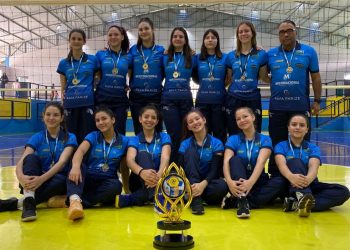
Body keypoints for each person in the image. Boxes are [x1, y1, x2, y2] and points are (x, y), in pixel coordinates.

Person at [0, 102, 77, 221]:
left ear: (62, 118)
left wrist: (41, 180)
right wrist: (20, 177)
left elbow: (62, 162)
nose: (51, 118)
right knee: (31, 158)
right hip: (36, 179)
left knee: (63, 180)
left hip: (56, 179)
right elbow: (23, 159)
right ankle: (30, 203)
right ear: (43, 116)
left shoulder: (70, 137)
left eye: (56, 115)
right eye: (48, 114)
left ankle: (22, 202)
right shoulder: (38, 137)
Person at [267, 20, 322, 176]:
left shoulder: (309, 51)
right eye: (282, 31)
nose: (285, 34)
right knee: (276, 143)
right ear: (278, 35)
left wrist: (317, 101)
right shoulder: (271, 54)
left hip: (300, 107)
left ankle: (304, 179)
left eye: (289, 30)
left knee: (302, 143)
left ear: (295, 31)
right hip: (277, 108)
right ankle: (276, 177)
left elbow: (316, 78)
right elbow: (263, 74)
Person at [274, 114, 350, 217]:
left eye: (302, 125)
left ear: (306, 129)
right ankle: (303, 199)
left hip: (309, 182)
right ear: (288, 128)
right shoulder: (281, 145)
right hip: (289, 183)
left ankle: (297, 203)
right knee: (296, 161)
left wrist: (307, 180)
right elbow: (281, 164)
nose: (297, 127)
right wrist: (292, 177)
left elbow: (314, 166)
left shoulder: (313, 147)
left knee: (343, 191)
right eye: (294, 124)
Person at [66, 106, 129, 220]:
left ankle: (74, 201)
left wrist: (127, 190)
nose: (101, 122)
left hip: (107, 182)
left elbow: (124, 167)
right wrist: (75, 167)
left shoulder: (125, 141)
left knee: (116, 186)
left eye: (104, 119)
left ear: (113, 120)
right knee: (77, 164)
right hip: (88, 178)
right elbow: (80, 151)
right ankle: (75, 200)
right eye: (97, 120)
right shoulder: (93, 136)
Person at [222, 107, 286, 218]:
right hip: (239, 180)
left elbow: (261, 162)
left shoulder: (265, 139)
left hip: (257, 180)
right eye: (238, 119)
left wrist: (250, 183)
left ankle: (239, 201)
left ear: (253, 117)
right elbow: (226, 162)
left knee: (280, 181)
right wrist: (229, 182)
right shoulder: (233, 139)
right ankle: (242, 198)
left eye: (245, 116)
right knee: (235, 160)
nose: (242, 120)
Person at [115, 105, 171, 209]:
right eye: (146, 117)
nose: (149, 120)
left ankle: (132, 198)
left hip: (160, 178)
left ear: (157, 121)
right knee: (143, 154)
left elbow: (165, 158)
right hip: (139, 180)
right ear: (140, 119)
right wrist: (142, 172)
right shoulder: (134, 139)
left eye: (153, 117)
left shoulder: (164, 137)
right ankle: (159, 198)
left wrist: (158, 176)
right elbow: (130, 160)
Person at [178, 109, 228, 215]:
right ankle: (196, 199)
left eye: (197, 119)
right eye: (191, 122)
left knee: (222, 186)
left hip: (208, 182)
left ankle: (192, 196)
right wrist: (187, 186)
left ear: (204, 120)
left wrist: (202, 185)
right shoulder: (185, 144)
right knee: (191, 151)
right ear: (188, 127)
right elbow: (180, 169)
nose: (195, 122)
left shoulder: (216, 143)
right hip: (189, 182)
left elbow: (214, 170)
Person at [225, 21, 269, 136]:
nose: (243, 34)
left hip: (252, 98)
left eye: (246, 31)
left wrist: (281, 82)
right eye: (240, 32)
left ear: (252, 33)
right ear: (237, 35)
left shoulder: (261, 54)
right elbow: (229, 79)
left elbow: (264, 77)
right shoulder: (230, 56)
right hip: (234, 98)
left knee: (254, 132)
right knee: (234, 132)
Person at [57, 29, 100, 144]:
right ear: (69, 41)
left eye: (79, 39)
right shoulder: (63, 63)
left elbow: (98, 78)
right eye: (73, 39)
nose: (76, 41)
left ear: (84, 41)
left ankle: (85, 161)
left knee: (87, 136)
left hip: (88, 103)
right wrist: (63, 101)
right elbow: (63, 87)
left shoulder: (93, 60)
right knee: (70, 136)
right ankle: (71, 161)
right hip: (70, 104)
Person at [162, 27, 197, 161]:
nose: (177, 38)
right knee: (173, 135)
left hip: (186, 100)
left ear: (185, 40)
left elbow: (199, 76)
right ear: (171, 39)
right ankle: (173, 165)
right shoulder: (164, 57)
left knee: (187, 134)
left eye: (181, 36)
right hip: (168, 101)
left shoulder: (193, 57)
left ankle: (186, 163)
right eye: (175, 36)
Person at [129, 17, 165, 134]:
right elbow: (129, 70)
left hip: (155, 96)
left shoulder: (161, 50)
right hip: (137, 96)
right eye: (140, 29)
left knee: (156, 130)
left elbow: (165, 72)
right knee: (139, 130)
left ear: (152, 30)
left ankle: (157, 152)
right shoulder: (133, 50)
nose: (143, 31)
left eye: (146, 28)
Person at [95, 25, 131, 135]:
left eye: (116, 34)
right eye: (110, 35)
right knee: (102, 132)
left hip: (120, 100)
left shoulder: (129, 56)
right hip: (102, 99)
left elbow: (131, 76)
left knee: (119, 133)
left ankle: (120, 153)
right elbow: (97, 75)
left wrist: (128, 86)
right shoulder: (100, 54)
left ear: (122, 37)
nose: (113, 37)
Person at [193, 29, 227, 143]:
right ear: (203, 41)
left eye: (213, 37)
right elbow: (193, 75)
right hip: (202, 102)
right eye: (207, 37)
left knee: (220, 134)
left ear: (218, 40)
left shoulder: (226, 57)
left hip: (220, 102)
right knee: (203, 134)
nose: (210, 40)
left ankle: (220, 160)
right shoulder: (197, 58)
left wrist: (256, 47)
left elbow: (230, 77)